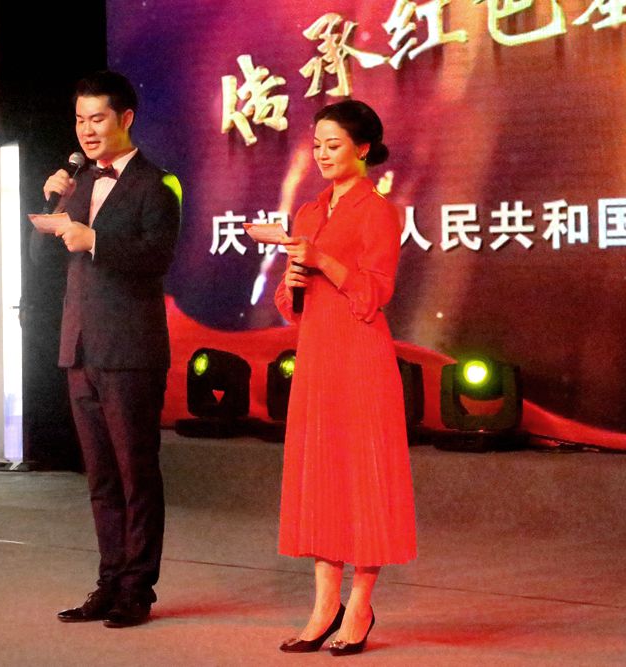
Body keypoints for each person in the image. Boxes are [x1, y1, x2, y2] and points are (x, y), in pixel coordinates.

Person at [30, 71, 182, 628]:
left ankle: (137, 589)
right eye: (80, 120)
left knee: (136, 473)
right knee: (100, 478)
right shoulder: (77, 181)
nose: (87, 130)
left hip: (130, 351)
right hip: (80, 348)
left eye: (97, 118)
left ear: (126, 119)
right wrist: (53, 202)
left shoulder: (158, 183)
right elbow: (39, 259)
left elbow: (157, 256)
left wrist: (95, 239)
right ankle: (109, 581)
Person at [274, 100, 417, 656]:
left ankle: (360, 604)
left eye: (333, 145)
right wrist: (293, 280)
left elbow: (374, 294)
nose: (322, 155)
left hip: (360, 357)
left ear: (363, 148)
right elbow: (291, 302)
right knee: (322, 475)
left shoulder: (378, 212)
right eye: (317, 146)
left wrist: (323, 261)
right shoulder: (309, 212)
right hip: (316, 356)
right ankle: (323, 605)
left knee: (364, 476)